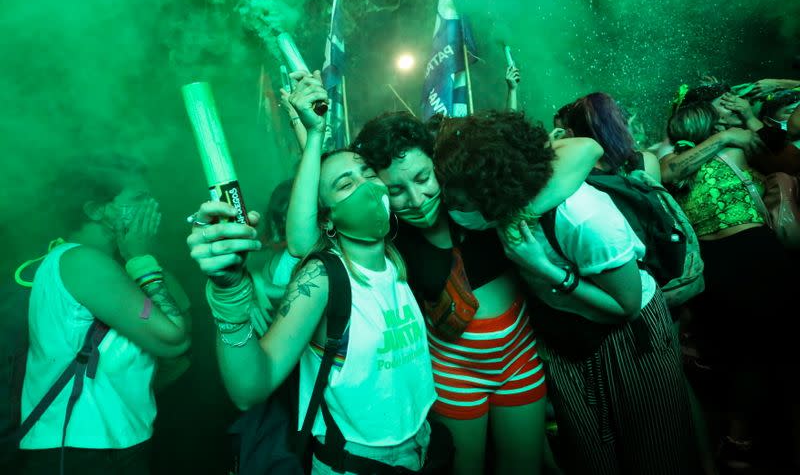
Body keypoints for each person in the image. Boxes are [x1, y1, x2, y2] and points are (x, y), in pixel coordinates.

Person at [187, 71, 437, 474]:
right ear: (328, 220)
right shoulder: (323, 276)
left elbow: (334, 178)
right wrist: (230, 291)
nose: (365, 187)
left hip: (422, 443)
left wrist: (315, 129)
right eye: (345, 185)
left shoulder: (393, 258)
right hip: (358, 462)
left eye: (369, 175)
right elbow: (251, 387)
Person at [333, 111, 601, 475]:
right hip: (455, 374)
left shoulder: (476, 192)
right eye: (395, 190)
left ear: (436, 164)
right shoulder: (389, 233)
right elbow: (305, 238)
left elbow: (585, 149)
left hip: (519, 361)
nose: (416, 198)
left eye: (423, 178)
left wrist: (511, 213)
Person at [433, 111, 699, 475]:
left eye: (460, 198)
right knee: (591, 458)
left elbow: (627, 305)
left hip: (626, 337)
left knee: (654, 454)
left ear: (491, 189)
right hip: (567, 337)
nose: (450, 203)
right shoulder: (494, 204)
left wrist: (545, 268)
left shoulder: (584, 218)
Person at [19, 155, 191, 475]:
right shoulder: (82, 261)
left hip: (112, 440)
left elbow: (179, 339)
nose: (153, 206)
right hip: (82, 448)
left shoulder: (109, 264)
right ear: (96, 210)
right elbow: (174, 338)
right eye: (139, 198)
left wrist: (138, 258)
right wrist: (141, 257)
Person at [667, 100, 799, 471]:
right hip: (725, 263)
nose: (727, 119)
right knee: (748, 351)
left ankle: (746, 439)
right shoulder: (681, 157)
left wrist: (749, 122)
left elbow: (789, 165)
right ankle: (744, 439)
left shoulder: (740, 148)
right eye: (720, 117)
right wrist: (730, 132)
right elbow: (668, 170)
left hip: (753, 254)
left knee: (765, 351)